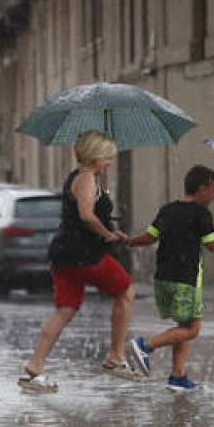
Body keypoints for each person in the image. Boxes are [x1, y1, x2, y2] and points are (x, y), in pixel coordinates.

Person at [19, 131, 136, 392]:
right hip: (85, 254)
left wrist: (109, 229)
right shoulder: (86, 179)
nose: (109, 162)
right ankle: (115, 357)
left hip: (65, 253)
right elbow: (86, 215)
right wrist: (107, 236)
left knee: (66, 309)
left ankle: (35, 366)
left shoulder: (81, 177)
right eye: (107, 157)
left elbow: (88, 214)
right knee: (126, 291)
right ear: (96, 156)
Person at [126, 165, 214, 392]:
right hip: (185, 279)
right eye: (213, 189)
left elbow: (149, 237)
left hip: (163, 277)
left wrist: (128, 241)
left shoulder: (168, 209)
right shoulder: (201, 214)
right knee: (192, 329)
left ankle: (178, 375)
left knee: (182, 325)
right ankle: (145, 345)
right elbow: (213, 245)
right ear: (201, 189)